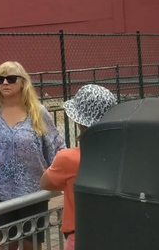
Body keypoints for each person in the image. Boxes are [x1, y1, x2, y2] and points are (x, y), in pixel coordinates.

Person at [0, 61, 65, 250]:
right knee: (8, 243)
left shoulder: (38, 113)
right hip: (0, 191)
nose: (5, 83)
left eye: (11, 78)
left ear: (23, 83)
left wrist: (57, 176)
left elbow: (56, 145)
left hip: (34, 191)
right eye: (0, 79)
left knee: (31, 243)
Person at [40, 84, 117, 250]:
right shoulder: (122, 155)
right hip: (115, 233)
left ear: (78, 121)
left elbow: (45, 182)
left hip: (81, 237)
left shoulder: (67, 159)